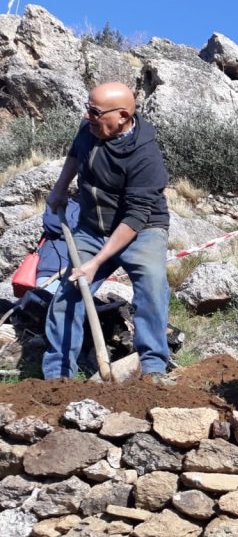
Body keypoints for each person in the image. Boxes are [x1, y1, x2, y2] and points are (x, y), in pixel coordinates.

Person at [42, 82, 172, 382]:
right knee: (69, 293)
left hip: (141, 230)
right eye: (88, 109)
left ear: (123, 116)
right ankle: (58, 376)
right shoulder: (91, 127)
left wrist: (97, 262)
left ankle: (153, 369)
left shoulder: (145, 157)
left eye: (95, 112)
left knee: (152, 287)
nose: (87, 116)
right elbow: (76, 153)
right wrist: (60, 188)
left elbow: (135, 217)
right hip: (92, 226)